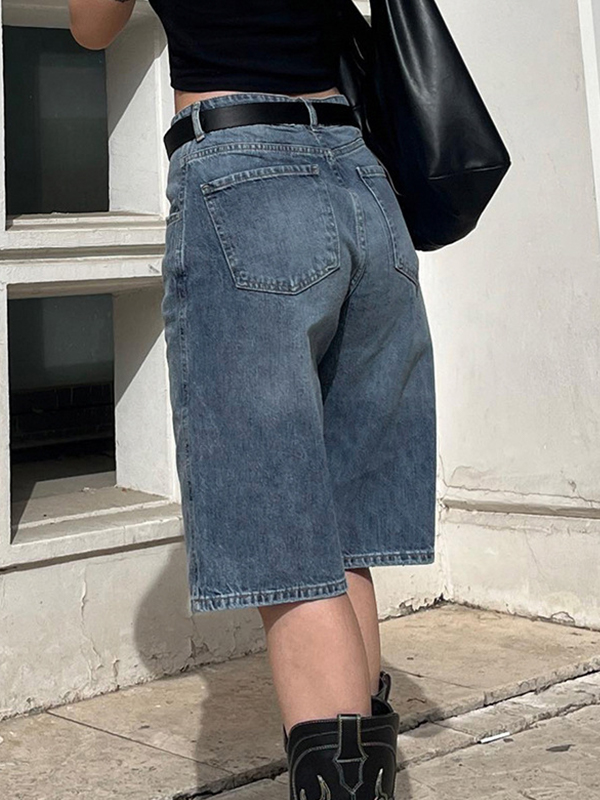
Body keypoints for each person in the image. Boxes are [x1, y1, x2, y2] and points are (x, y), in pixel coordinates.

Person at [69, 2, 437, 797]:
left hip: (243, 177)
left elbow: (91, 25)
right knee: (339, 530)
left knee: (282, 544)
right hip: (362, 180)